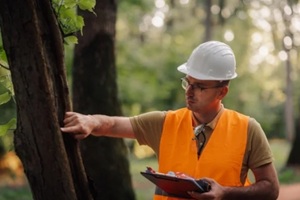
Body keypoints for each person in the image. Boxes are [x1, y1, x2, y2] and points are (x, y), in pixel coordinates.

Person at [61, 41, 280, 200]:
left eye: (200, 86)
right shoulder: (165, 123)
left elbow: (270, 188)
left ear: (222, 92)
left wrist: (225, 193)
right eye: (188, 82)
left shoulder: (248, 129)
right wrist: (89, 121)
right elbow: (113, 124)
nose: (189, 91)